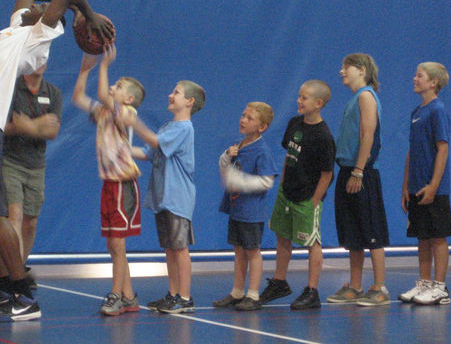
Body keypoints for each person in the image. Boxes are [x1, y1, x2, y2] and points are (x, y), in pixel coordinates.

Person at [0, 0, 114, 322]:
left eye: (42, 11)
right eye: (38, 8)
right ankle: (4, 289)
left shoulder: (38, 38)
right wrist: (72, 9)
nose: (36, 8)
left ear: (50, 23)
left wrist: (86, 12)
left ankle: (24, 296)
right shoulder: (17, 28)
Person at [72, 45, 146, 316]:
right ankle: (128, 296)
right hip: (110, 184)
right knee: (113, 245)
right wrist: (85, 70)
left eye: (118, 85)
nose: (112, 87)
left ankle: (116, 295)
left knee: (117, 244)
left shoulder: (127, 114)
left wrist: (103, 66)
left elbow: (103, 95)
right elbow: (79, 97)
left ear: (128, 99)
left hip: (123, 184)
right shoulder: (104, 113)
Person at [124, 80, 206, 314]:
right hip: (163, 197)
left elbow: (154, 142)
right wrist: (121, 148)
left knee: (180, 248)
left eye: (176, 93)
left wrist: (135, 122)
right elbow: (147, 152)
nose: (170, 95)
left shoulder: (184, 128)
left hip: (177, 198)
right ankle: (173, 294)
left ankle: (186, 297)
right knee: (170, 248)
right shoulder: (168, 126)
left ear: (189, 102)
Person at [258, 80, 335, 310]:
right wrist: (282, 184)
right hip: (287, 192)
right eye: (299, 96)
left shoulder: (324, 136)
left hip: (307, 197)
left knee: (312, 242)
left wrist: (314, 202)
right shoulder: (294, 124)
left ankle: (312, 291)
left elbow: (327, 174)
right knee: (282, 235)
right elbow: (289, 156)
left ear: (319, 103)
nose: (299, 101)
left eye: (305, 98)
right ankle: (280, 282)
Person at [327, 53, 390, 307]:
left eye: (346, 67)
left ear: (362, 70)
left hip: (361, 172)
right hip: (348, 170)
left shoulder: (366, 96)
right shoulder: (355, 98)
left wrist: (359, 171)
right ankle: (355, 286)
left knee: (371, 230)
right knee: (353, 232)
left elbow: (368, 135)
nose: (341, 71)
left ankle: (379, 287)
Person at [213, 102, 279, 311]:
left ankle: (253, 294)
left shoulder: (262, 151)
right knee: (239, 251)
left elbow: (267, 181)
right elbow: (224, 167)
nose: (243, 120)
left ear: (262, 127)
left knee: (252, 251)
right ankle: (237, 292)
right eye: (243, 115)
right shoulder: (238, 145)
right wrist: (226, 157)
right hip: (237, 208)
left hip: (252, 211)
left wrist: (241, 182)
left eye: (250, 118)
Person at [398, 62, 451, 305]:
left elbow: (442, 149)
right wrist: (405, 186)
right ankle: (424, 283)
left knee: (437, 236)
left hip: (434, 189)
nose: (414, 78)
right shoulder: (416, 113)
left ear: (433, 83)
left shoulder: (437, 110)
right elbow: (412, 151)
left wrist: (433, 185)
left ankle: (440, 287)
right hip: (415, 186)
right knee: (422, 236)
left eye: (419, 75)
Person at [3, 63, 62, 290]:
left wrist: (26, 124)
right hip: (10, 161)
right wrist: (38, 124)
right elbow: (5, 126)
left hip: (37, 165)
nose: (41, 61)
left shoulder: (53, 93)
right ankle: (15, 276)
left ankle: (20, 266)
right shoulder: (11, 89)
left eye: (45, 57)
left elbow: (53, 131)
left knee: (31, 221)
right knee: (14, 214)